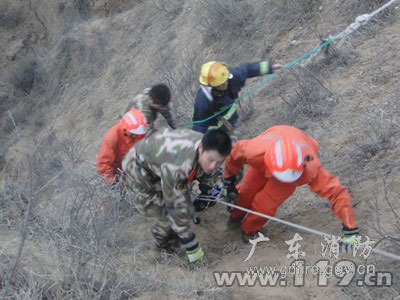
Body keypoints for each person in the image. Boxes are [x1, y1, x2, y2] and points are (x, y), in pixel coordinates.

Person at [222, 125, 359, 248]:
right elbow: (234, 156)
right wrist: (229, 181)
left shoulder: (310, 168)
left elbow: (337, 192)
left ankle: (249, 230)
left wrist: (350, 228)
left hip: (289, 172)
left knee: (264, 206)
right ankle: (235, 217)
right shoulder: (254, 151)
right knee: (245, 194)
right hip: (264, 159)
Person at [122, 128, 232, 263]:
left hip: (160, 161)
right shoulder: (178, 166)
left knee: (180, 198)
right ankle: (162, 248)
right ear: (201, 148)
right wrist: (192, 248)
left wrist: (225, 187)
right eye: (210, 160)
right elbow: (176, 208)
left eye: (219, 162)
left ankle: (172, 239)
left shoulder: (210, 144)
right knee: (165, 220)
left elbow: (209, 172)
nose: (213, 166)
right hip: (139, 170)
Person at [192, 60, 282, 134]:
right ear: (212, 86)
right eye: (221, 84)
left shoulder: (230, 77)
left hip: (232, 120)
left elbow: (247, 69)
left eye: (226, 81)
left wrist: (269, 67)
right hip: (216, 131)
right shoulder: (202, 101)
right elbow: (199, 126)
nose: (226, 84)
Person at [97, 108, 149, 186]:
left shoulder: (140, 132)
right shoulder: (113, 137)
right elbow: (104, 163)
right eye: (133, 133)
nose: (135, 135)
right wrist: (113, 182)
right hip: (118, 171)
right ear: (125, 128)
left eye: (137, 133)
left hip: (137, 164)